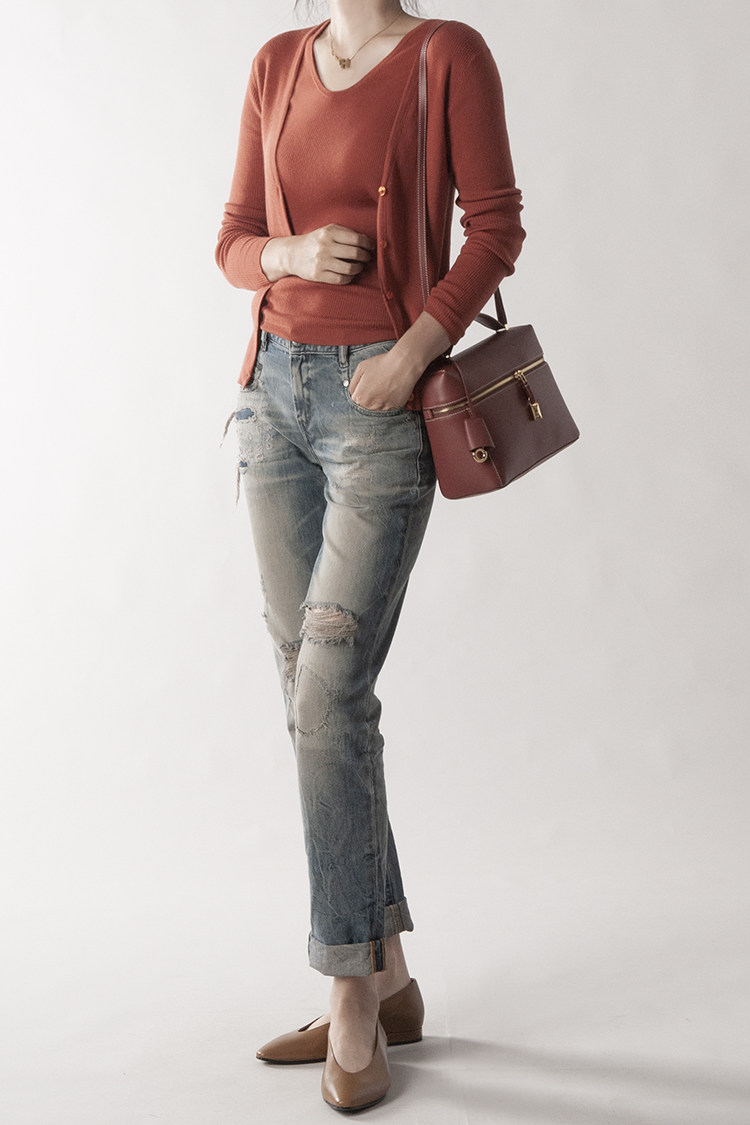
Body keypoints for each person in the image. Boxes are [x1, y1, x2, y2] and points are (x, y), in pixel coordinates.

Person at [215, 0, 525, 1110]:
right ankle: (388, 979)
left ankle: (349, 991)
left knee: (328, 690)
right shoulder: (276, 63)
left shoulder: (449, 54)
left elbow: (496, 229)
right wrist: (288, 253)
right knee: (311, 693)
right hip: (272, 402)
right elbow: (231, 239)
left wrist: (412, 352)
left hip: (379, 408)